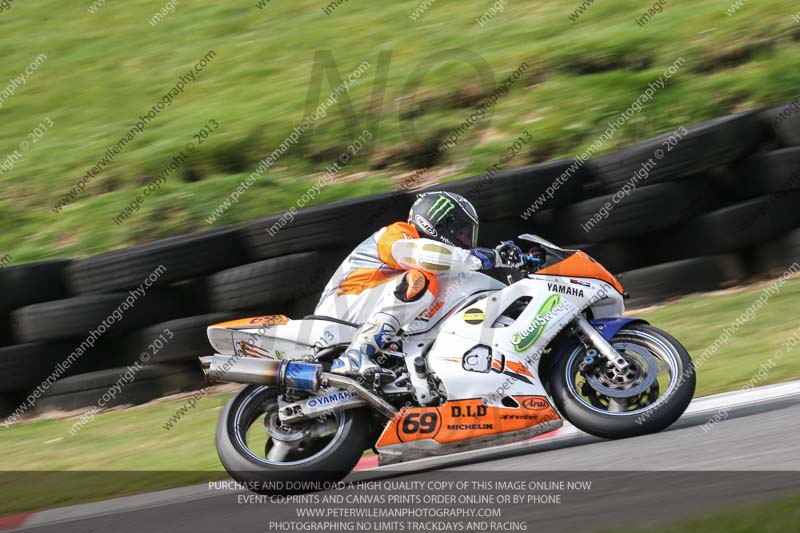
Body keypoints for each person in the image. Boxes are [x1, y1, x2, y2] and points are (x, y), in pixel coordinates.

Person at [315, 191, 525, 379]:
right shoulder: (396, 233)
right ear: (440, 226)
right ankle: (356, 354)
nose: (468, 242)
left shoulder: (436, 259)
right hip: (340, 308)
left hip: (364, 309)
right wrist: (479, 258)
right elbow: (423, 255)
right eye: (462, 233)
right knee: (421, 279)